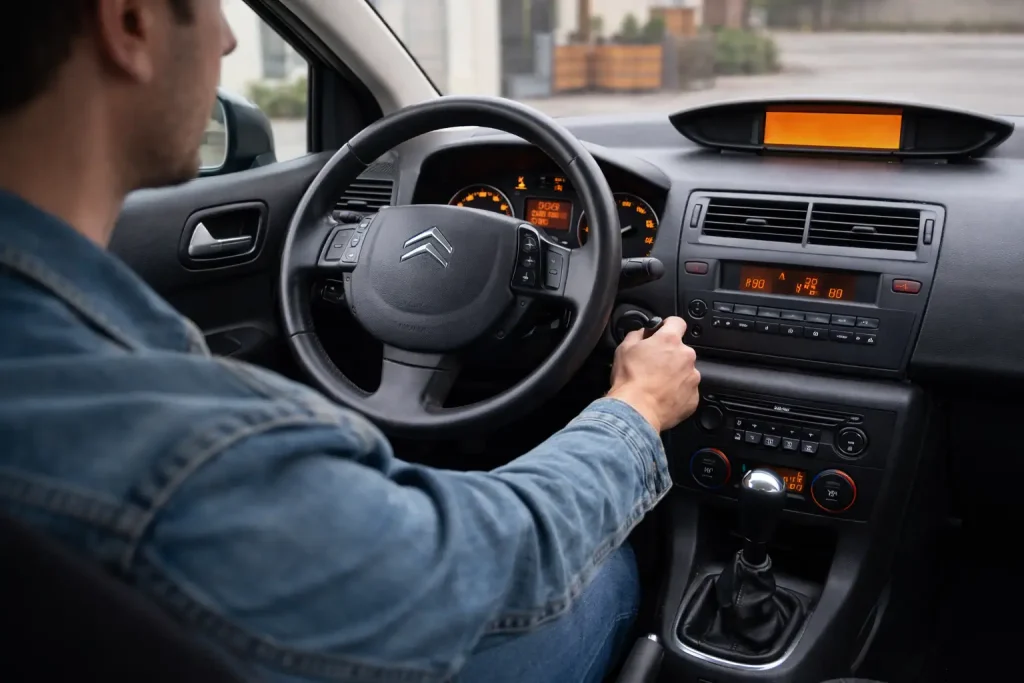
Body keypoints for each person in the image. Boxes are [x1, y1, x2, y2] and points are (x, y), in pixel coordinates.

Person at [0, 2, 701, 682]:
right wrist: (635, 408)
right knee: (607, 564)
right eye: (213, 8)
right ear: (130, 21)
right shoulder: (187, 459)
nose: (227, 43)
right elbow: (489, 565)